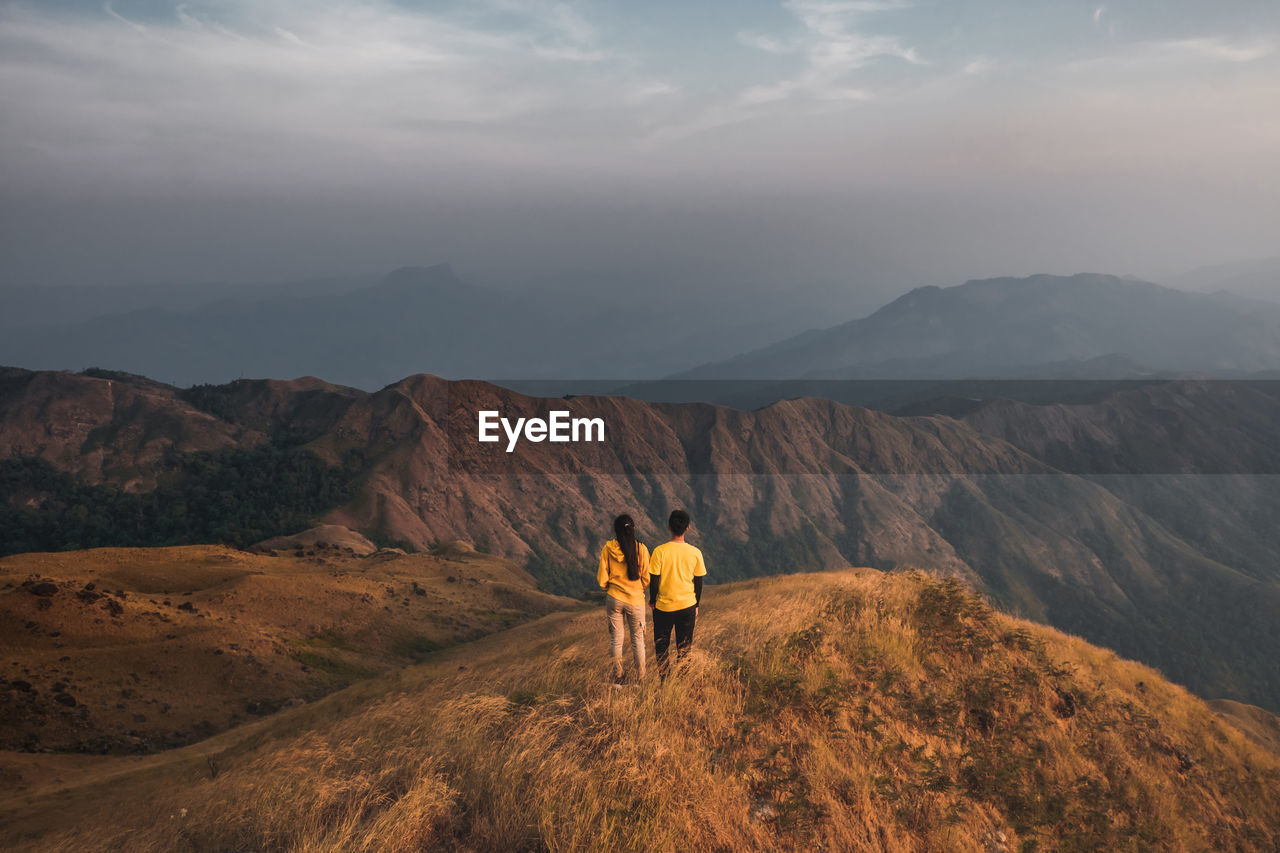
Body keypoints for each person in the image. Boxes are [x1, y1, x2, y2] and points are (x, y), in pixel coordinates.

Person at [648, 509, 706, 679]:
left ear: (668, 527)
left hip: (663, 607)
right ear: (688, 528)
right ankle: (682, 683)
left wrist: (653, 601)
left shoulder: (659, 551)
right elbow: (699, 582)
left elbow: (655, 581)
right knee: (685, 648)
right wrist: (696, 604)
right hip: (687, 606)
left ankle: (665, 681)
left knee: (662, 647)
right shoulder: (695, 552)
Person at [598, 514, 650, 684]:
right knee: (638, 641)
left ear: (616, 530)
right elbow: (646, 578)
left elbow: (602, 579)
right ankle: (641, 678)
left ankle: (618, 677)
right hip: (635, 600)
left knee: (616, 640)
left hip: (614, 598)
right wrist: (637, 589)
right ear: (632, 529)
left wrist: (611, 587)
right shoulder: (641, 549)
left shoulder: (608, 548)